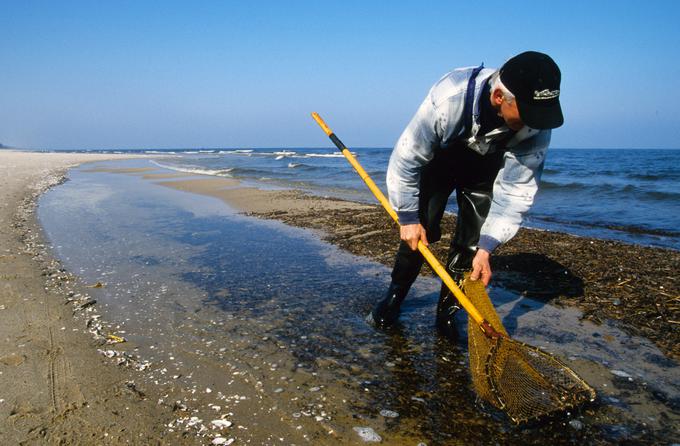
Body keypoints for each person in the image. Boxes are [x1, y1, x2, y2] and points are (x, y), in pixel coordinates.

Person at [369, 51, 563, 338]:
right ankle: (394, 298)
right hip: (441, 159)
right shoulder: (450, 96)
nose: (536, 123)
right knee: (420, 230)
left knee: (470, 246)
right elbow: (407, 159)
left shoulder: (536, 125)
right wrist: (408, 217)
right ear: (499, 97)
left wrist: (487, 247)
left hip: (485, 169)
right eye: (528, 114)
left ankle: (447, 315)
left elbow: (516, 190)